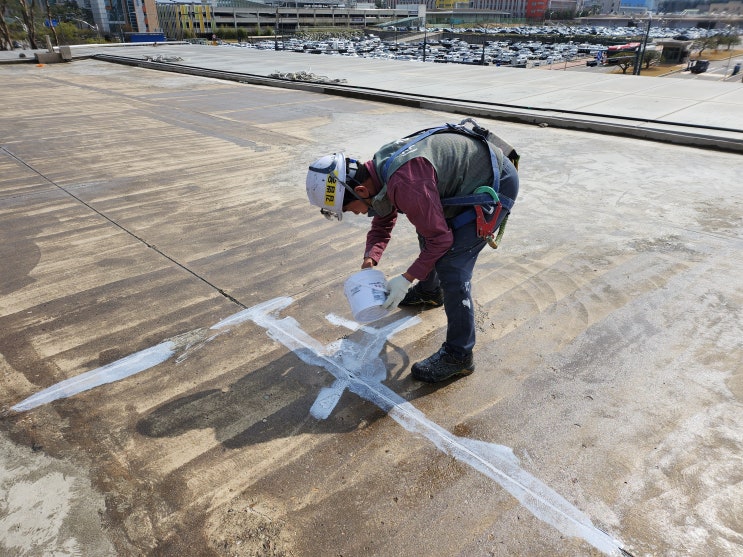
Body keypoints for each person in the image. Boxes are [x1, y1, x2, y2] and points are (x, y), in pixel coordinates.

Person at [306, 119, 519, 383]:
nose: (356, 214)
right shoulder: (378, 171)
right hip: (467, 175)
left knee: (452, 265)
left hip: (495, 182)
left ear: (360, 190)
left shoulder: (406, 182)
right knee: (427, 224)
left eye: (350, 209)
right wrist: (371, 256)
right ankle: (430, 292)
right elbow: (384, 213)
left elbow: (440, 239)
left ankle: (459, 355)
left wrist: (406, 278)